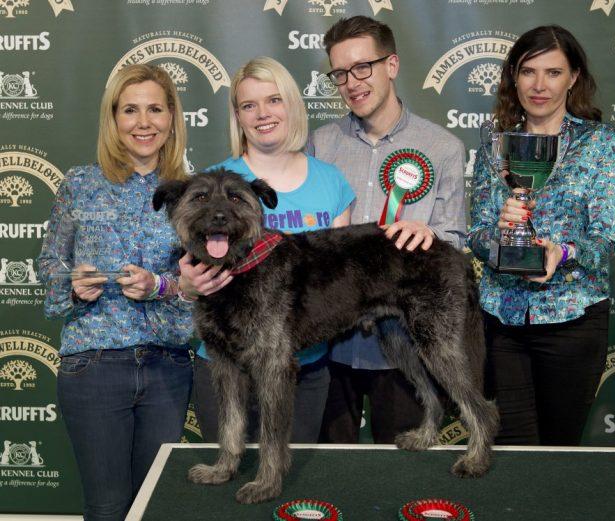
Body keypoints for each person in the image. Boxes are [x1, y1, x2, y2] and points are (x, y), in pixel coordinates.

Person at [37, 64, 193, 520]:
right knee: (107, 509)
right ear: (113, 118)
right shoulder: (80, 184)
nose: (143, 122)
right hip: (93, 367)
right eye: (130, 110)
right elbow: (49, 266)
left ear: (171, 118)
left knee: (155, 508)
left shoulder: (193, 192)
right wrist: (73, 283)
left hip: (169, 368)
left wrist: (159, 286)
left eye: (154, 109)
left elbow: (203, 285)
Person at [307, 16, 467, 444]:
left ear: (391, 65)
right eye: (339, 73)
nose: (352, 82)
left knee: (401, 479)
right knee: (325, 477)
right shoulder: (319, 144)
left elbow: (454, 240)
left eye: (363, 67)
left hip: (403, 348)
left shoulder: (444, 148)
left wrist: (430, 234)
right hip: (328, 345)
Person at [179, 57, 355, 443]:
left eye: (273, 100)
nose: (263, 114)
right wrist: (186, 285)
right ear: (237, 116)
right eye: (248, 105)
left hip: (304, 371)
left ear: (291, 104)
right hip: (226, 368)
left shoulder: (330, 181)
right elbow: (190, 275)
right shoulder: (213, 184)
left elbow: (340, 283)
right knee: (229, 481)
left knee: (290, 490)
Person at [467, 25, 615, 445]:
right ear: (513, 76)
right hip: (503, 319)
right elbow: (477, 236)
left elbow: (605, 240)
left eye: (553, 73)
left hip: (572, 321)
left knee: (559, 453)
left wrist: (563, 252)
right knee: (509, 452)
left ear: (574, 77)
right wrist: (498, 234)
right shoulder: (496, 146)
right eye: (528, 71)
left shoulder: (599, 144)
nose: (539, 85)